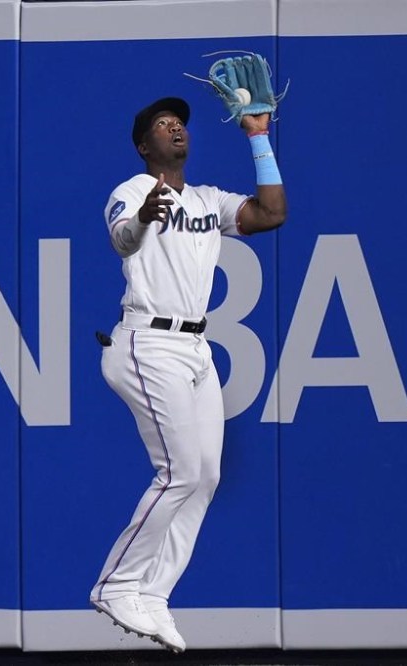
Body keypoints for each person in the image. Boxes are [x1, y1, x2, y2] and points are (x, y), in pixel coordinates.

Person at [89, 96, 286, 653]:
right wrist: (145, 217)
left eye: (180, 122)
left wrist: (258, 137)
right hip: (146, 342)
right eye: (161, 124)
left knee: (204, 477)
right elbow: (120, 238)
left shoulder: (207, 200)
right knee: (178, 471)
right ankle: (116, 584)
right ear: (143, 145)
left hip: (195, 349)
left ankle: (151, 595)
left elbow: (271, 214)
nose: (175, 127)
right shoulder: (132, 190)